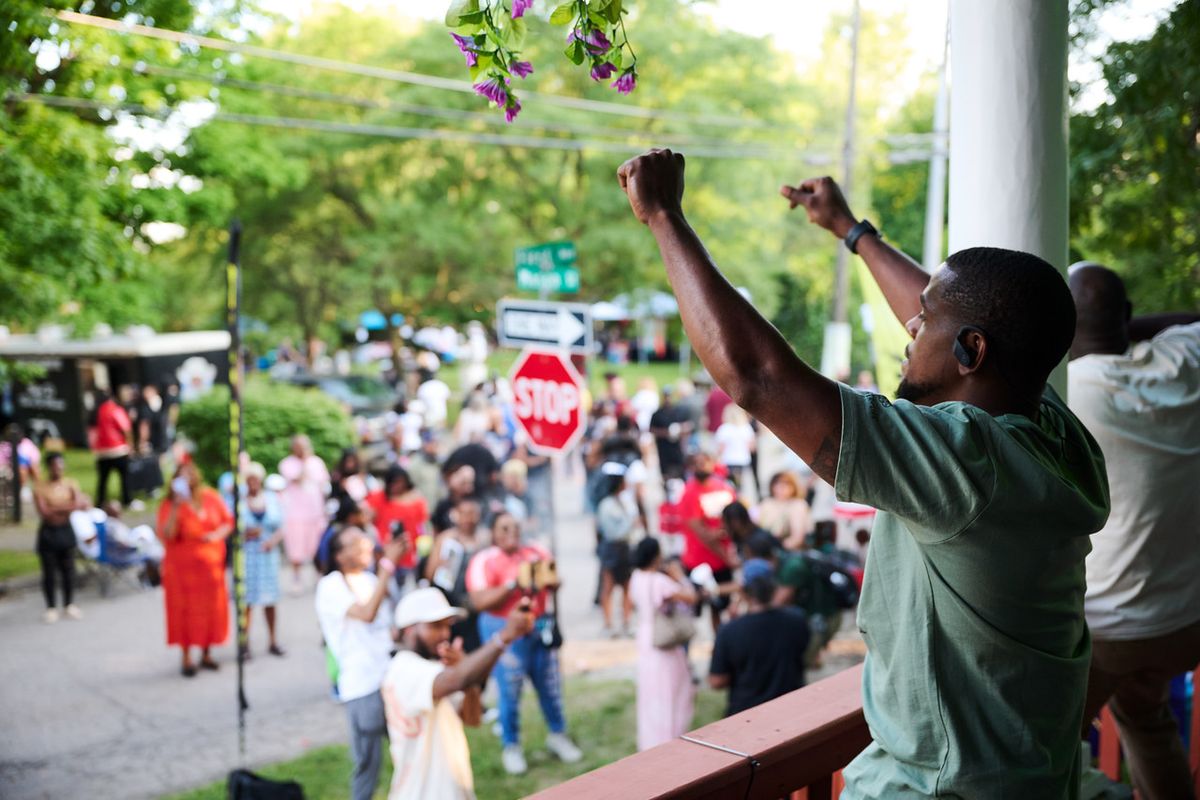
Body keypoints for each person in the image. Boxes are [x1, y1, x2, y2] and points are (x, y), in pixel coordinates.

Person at [618, 153, 1109, 797]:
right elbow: (967, 317)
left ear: (971, 351)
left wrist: (663, 216)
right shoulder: (1055, 436)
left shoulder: (965, 463)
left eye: (924, 320)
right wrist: (853, 233)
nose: (910, 323)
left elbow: (758, 379)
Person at [1068, 262, 1200, 800]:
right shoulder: (1185, 359)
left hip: (1108, 634)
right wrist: (1122, 325)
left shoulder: (1067, 390)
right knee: (1144, 718)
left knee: (1036, 745)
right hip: (1186, 625)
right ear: (1126, 316)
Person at [382, 588, 535, 800]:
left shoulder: (435, 669)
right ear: (409, 630)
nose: (444, 634)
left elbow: (471, 718)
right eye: (435, 626)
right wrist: (505, 636)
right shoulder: (404, 669)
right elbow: (456, 680)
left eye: (447, 626)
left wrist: (466, 678)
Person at [465, 512, 582, 775]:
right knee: (509, 692)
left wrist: (551, 581)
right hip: (505, 629)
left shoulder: (536, 551)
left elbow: (555, 580)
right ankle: (511, 746)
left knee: (550, 685)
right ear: (493, 533)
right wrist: (512, 584)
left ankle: (557, 734)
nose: (512, 533)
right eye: (504, 528)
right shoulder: (485, 560)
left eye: (515, 527)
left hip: (539, 627)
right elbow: (480, 602)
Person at [315, 528, 408, 800]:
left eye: (364, 540)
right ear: (339, 555)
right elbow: (366, 614)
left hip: (389, 678)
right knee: (368, 765)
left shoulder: (370, 579)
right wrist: (388, 565)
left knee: (410, 752)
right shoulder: (331, 585)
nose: (365, 545)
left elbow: (385, 627)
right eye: (355, 543)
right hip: (362, 685)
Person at [157, 458, 235, 677]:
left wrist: (216, 535)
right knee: (184, 611)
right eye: (181, 474)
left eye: (189, 472)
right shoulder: (170, 504)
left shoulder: (210, 496)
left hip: (210, 567)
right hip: (182, 570)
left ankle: (206, 652)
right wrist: (176, 505)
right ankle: (186, 656)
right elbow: (168, 534)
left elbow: (228, 521)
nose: (186, 477)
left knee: (210, 609)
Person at [629, 537, 698, 751]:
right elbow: (690, 597)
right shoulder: (659, 581)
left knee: (651, 690)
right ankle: (670, 735)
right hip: (663, 638)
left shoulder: (636, 577)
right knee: (671, 689)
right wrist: (679, 577)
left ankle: (651, 738)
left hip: (646, 634)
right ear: (655, 556)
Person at [709, 575, 809, 717]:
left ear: (744, 594)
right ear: (774, 590)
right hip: (792, 706)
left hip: (747, 712)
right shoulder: (797, 619)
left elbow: (717, 681)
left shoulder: (730, 630)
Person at [678, 452, 737, 633]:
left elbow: (734, 520)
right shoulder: (689, 493)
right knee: (692, 610)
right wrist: (728, 557)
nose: (701, 466)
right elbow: (702, 534)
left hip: (722, 562)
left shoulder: (724, 488)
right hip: (699, 561)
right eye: (696, 463)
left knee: (720, 607)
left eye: (705, 462)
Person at [425, 497, 485, 653]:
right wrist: (443, 564)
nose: (469, 518)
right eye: (464, 513)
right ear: (456, 514)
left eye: (472, 513)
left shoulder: (484, 539)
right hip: (447, 602)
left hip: (473, 609)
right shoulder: (445, 538)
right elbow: (429, 575)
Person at [32, 452, 87, 623]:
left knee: (68, 569)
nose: (58, 469)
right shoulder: (41, 487)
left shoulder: (70, 484)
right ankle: (51, 607)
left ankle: (69, 604)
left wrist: (56, 507)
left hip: (65, 530)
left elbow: (79, 505)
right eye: (55, 465)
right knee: (49, 571)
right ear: (49, 467)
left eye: (61, 465)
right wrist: (67, 507)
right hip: (49, 533)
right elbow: (45, 513)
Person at [240, 462, 285, 658]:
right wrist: (245, 535)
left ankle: (273, 640)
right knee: (247, 601)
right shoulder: (239, 501)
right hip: (248, 555)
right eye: (249, 480)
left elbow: (282, 526)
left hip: (267, 554)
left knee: (270, 600)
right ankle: (245, 644)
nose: (253, 484)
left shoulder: (271, 499)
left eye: (255, 480)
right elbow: (230, 528)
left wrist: (272, 541)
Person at [278, 434, 330, 591]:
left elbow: (324, 484)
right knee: (296, 549)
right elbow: (296, 479)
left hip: (316, 513)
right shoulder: (287, 464)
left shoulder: (317, 462)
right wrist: (304, 462)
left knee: (317, 547)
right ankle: (296, 579)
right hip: (296, 515)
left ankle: (318, 576)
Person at [595, 463, 636, 636]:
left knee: (627, 586)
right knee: (608, 587)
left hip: (625, 549)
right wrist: (630, 523)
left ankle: (626, 621)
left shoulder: (626, 501)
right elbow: (611, 531)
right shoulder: (606, 505)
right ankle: (608, 623)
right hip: (612, 549)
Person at [365, 465, 427, 577]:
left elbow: (422, 527)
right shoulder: (379, 497)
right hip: (385, 553)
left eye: (400, 482)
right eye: (394, 482)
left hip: (408, 555)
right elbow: (366, 517)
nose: (397, 486)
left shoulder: (416, 499)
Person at [90, 390, 133, 507]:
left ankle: (100, 502)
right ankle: (126, 500)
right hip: (118, 450)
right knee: (124, 478)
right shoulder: (116, 409)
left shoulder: (97, 411)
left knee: (103, 480)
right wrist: (130, 446)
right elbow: (125, 428)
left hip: (102, 451)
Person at [756, 471, 811, 550]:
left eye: (786, 483)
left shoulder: (798, 505)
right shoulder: (766, 503)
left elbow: (797, 539)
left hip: (788, 552)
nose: (781, 487)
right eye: (777, 483)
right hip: (766, 548)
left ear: (793, 486)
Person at [648, 387, 691, 481]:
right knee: (665, 473)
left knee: (680, 471)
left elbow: (687, 426)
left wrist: (679, 430)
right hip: (663, 448)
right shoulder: (657, 414)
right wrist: (666, 433)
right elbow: (651, 429)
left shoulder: (678, 412)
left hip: (676, 448)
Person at [714, 405, 756, 492]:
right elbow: (751, 447)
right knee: (740, 485)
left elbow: (721, 448)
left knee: (729, 485)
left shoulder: (724, 428)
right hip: (742, 460)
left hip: (728, 460)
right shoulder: (746, 428)